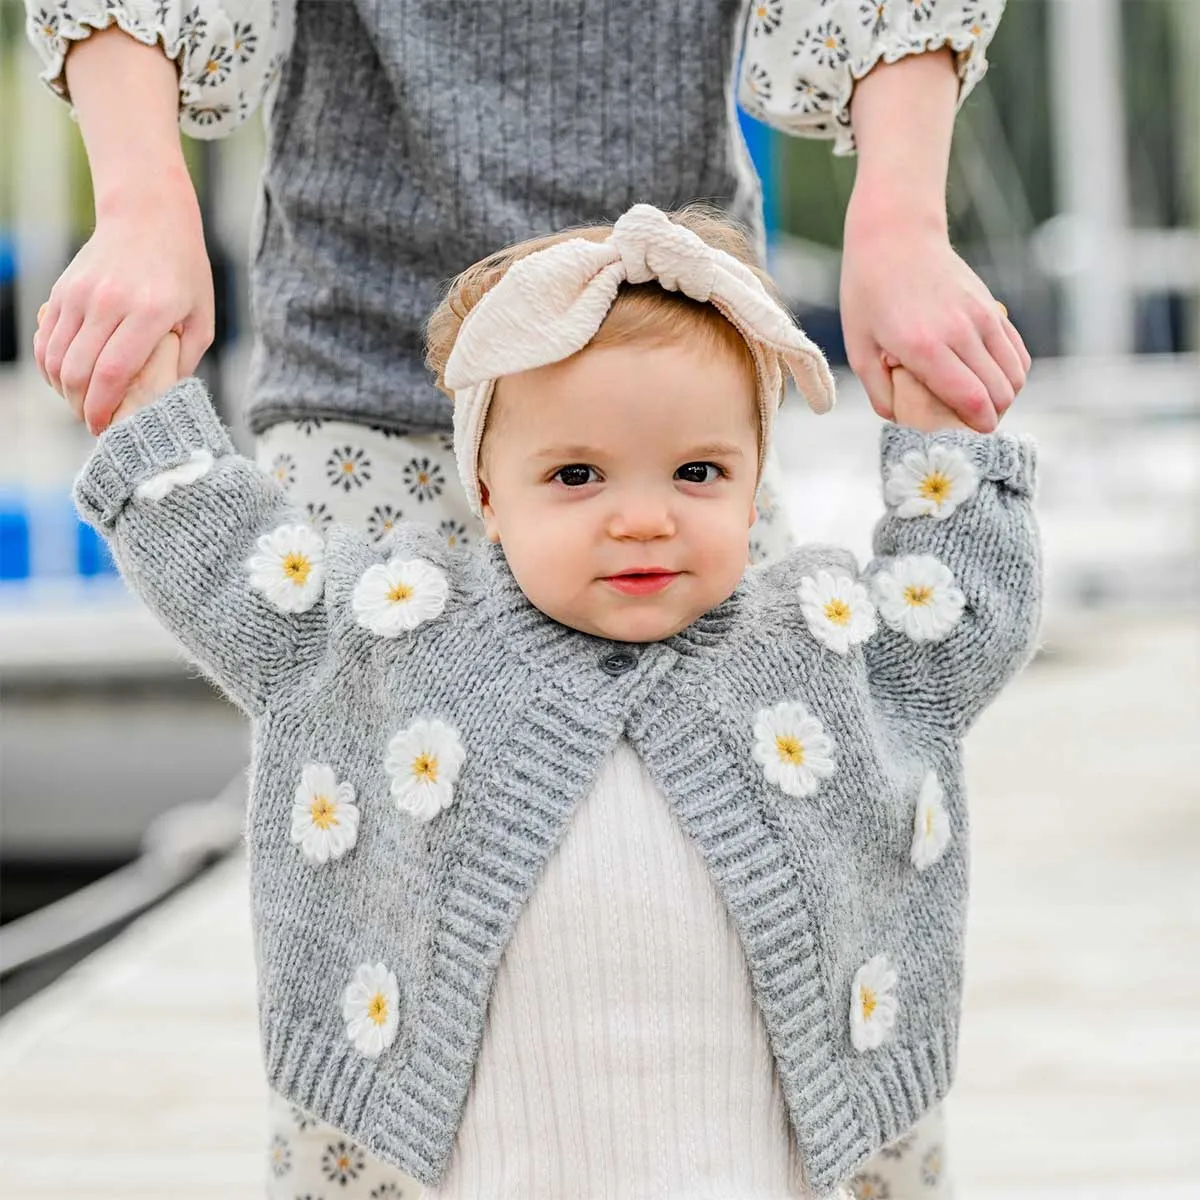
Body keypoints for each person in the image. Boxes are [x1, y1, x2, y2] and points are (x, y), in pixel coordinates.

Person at [24, 2, 1031, 1193]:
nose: (642, 523)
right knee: (368, 844)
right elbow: (240, 597)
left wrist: (905, 220)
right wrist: (142, 210)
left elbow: (932, 648)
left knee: (785, 795)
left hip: (684, 356)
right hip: (369, 370)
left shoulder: (763, 580)